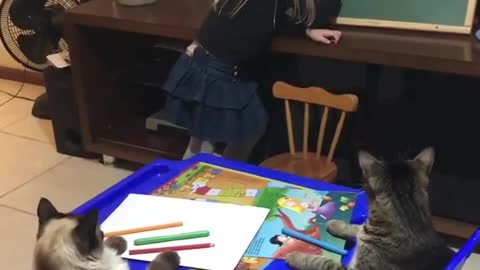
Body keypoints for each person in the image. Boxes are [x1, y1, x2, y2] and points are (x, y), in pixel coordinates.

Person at [163, 0, 342, 161]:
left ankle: (223, 175)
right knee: (204, 147)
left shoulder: (264, 6)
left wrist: (307, 31)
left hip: (204, 62)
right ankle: (221, 176)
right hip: (216, 71)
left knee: (218, 139)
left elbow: (276, 19)